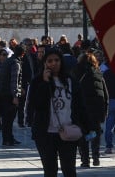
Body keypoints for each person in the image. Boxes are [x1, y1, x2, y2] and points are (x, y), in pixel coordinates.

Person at [27, 47, 93, 177]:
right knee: (50, 170)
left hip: (68, 131)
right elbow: (36, 104)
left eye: (56, 60)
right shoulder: (37, 81)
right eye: (50, 61)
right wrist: (45, 83)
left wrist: (88, 127)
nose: (53, 63)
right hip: (46, 133)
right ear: (45, 63)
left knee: (69, 169)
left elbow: (80, 106)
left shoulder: (71, 81)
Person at [74, 50, 108, 167]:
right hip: (97, 109)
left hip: (82, 109)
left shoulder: (77, 72)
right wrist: (104, 111)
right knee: (95, 133)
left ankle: (85, 160)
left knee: (82, 134)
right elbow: (105, 93)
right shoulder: (98, 73)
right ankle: (96, 157)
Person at [0, 43, 24, 146]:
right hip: (9, 95)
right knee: (9, 119)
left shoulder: (7, 61)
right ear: (22, 54)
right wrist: (15, 95)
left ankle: (8, 138)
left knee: (6, 118)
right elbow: (14, 80)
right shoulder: (15, 63)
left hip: (3, 93)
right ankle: (8, 139)